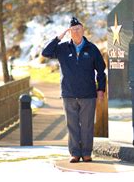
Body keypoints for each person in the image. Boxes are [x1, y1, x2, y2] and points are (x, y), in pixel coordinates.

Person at [42, 17, 106, 163]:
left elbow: (101, 71)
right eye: (73, 29)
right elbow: (46, 53)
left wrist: (100, 89)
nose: (76, 31)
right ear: (69, 32)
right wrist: (58, 37)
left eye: (78, 28)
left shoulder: (92, 48)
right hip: (68, 94)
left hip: (88, 94)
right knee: (72, 126)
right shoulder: (62, 48)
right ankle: (75, 153)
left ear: (83, 30)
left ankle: (87, 153)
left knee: (87, 125)